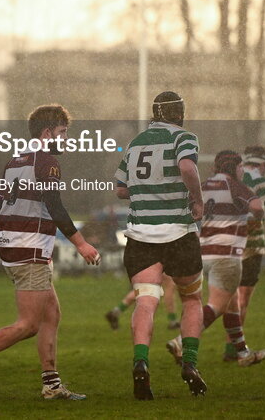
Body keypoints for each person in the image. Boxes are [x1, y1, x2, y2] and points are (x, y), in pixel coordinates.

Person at [0, 104, 100, 401]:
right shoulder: (47, 162)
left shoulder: (14, 161)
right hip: (29, 247)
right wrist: (81, 243)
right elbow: (55, 206)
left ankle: (51, 384)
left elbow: (2, 207)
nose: (66, 139)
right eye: (62, 132)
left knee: (51, 314)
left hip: (13, 245)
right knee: (29, 323)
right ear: (47, 133)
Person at [115, 91, 207, 399]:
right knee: (192, 300)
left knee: (146, 300)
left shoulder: (135, 143)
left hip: (141, 235)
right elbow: (187, 168)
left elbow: (120, 189)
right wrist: (197, 198)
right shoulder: (184, 138)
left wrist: (147, 191)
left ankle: (141, 362)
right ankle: (190, 364)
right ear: (179, 113)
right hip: (179, 232)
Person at [167, 150, 265, 368]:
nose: (242, 170)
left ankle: (242, 353)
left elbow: (184, 210)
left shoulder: (202, 185)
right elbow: (259, 206)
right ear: (234, 168)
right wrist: (254, 219)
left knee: (232, 305)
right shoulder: (234, 185)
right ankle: (180, 341)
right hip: (227, 255)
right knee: (217, 306)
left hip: (204, 253)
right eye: (241, 166)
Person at [222, 144, 265, 362]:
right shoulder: (261, 182)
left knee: (228, 298)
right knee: (243, 299)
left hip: (227, 245)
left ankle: (230, 348)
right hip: (252, 246)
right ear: (262, 165)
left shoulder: (229, 179)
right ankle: (235, 347)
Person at [105, 277, 179, 331]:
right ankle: (172, 321)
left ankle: (115, 312)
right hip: (157, 261)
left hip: (147, 262)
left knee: (143, 289)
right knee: (169, 284)